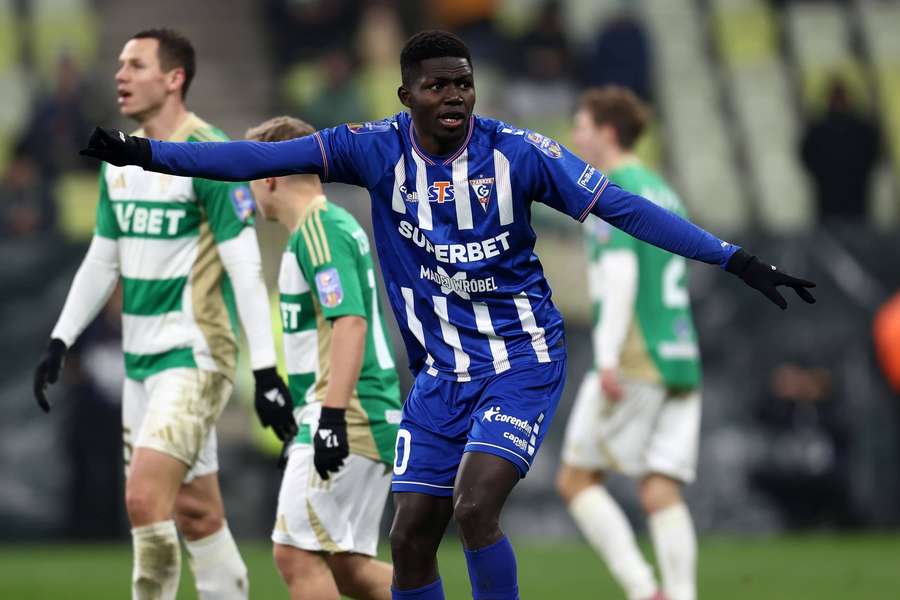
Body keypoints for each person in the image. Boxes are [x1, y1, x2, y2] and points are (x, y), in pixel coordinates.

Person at [79, 30, 816, 600]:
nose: (456, 97)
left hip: (521, 362)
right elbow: (247, 158)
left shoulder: (521, 154)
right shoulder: (370, 150)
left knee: (474, 504)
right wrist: (147, 155)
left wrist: (733, 258)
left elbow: (623, 207)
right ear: (407, 96)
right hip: (441, 377)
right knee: (408, 539)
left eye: (464, 84)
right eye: (438, 86)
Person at [33, 29, 297, 600]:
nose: (120, 75)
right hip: (140, 363)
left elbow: (246, 270)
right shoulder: (119, 161)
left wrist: (267, 371)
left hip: (196, 355)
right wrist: (61, 339)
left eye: (137, 64)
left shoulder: (211, 155)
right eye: (120, 64)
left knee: (142, 500)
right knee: (196, 513)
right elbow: (103, 261)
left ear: (174, 78)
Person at [245, 115, 400, 600]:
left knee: (295, 555)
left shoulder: (320, 230)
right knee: (349, 569)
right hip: (354, 411)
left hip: (348, 414)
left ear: (269, 176)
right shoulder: (323, 228)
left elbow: (349, 323)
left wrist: (330, 416)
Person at [556, 86, 702, 600]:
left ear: (607, 133)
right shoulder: (665, 190)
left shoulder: (612, 191)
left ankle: (644, 591)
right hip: (682, 354)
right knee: (660, 489)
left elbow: (620, 275)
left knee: (575, 479)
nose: (575, 136)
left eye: (582, 125)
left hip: (638, 357)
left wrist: (609, 358)